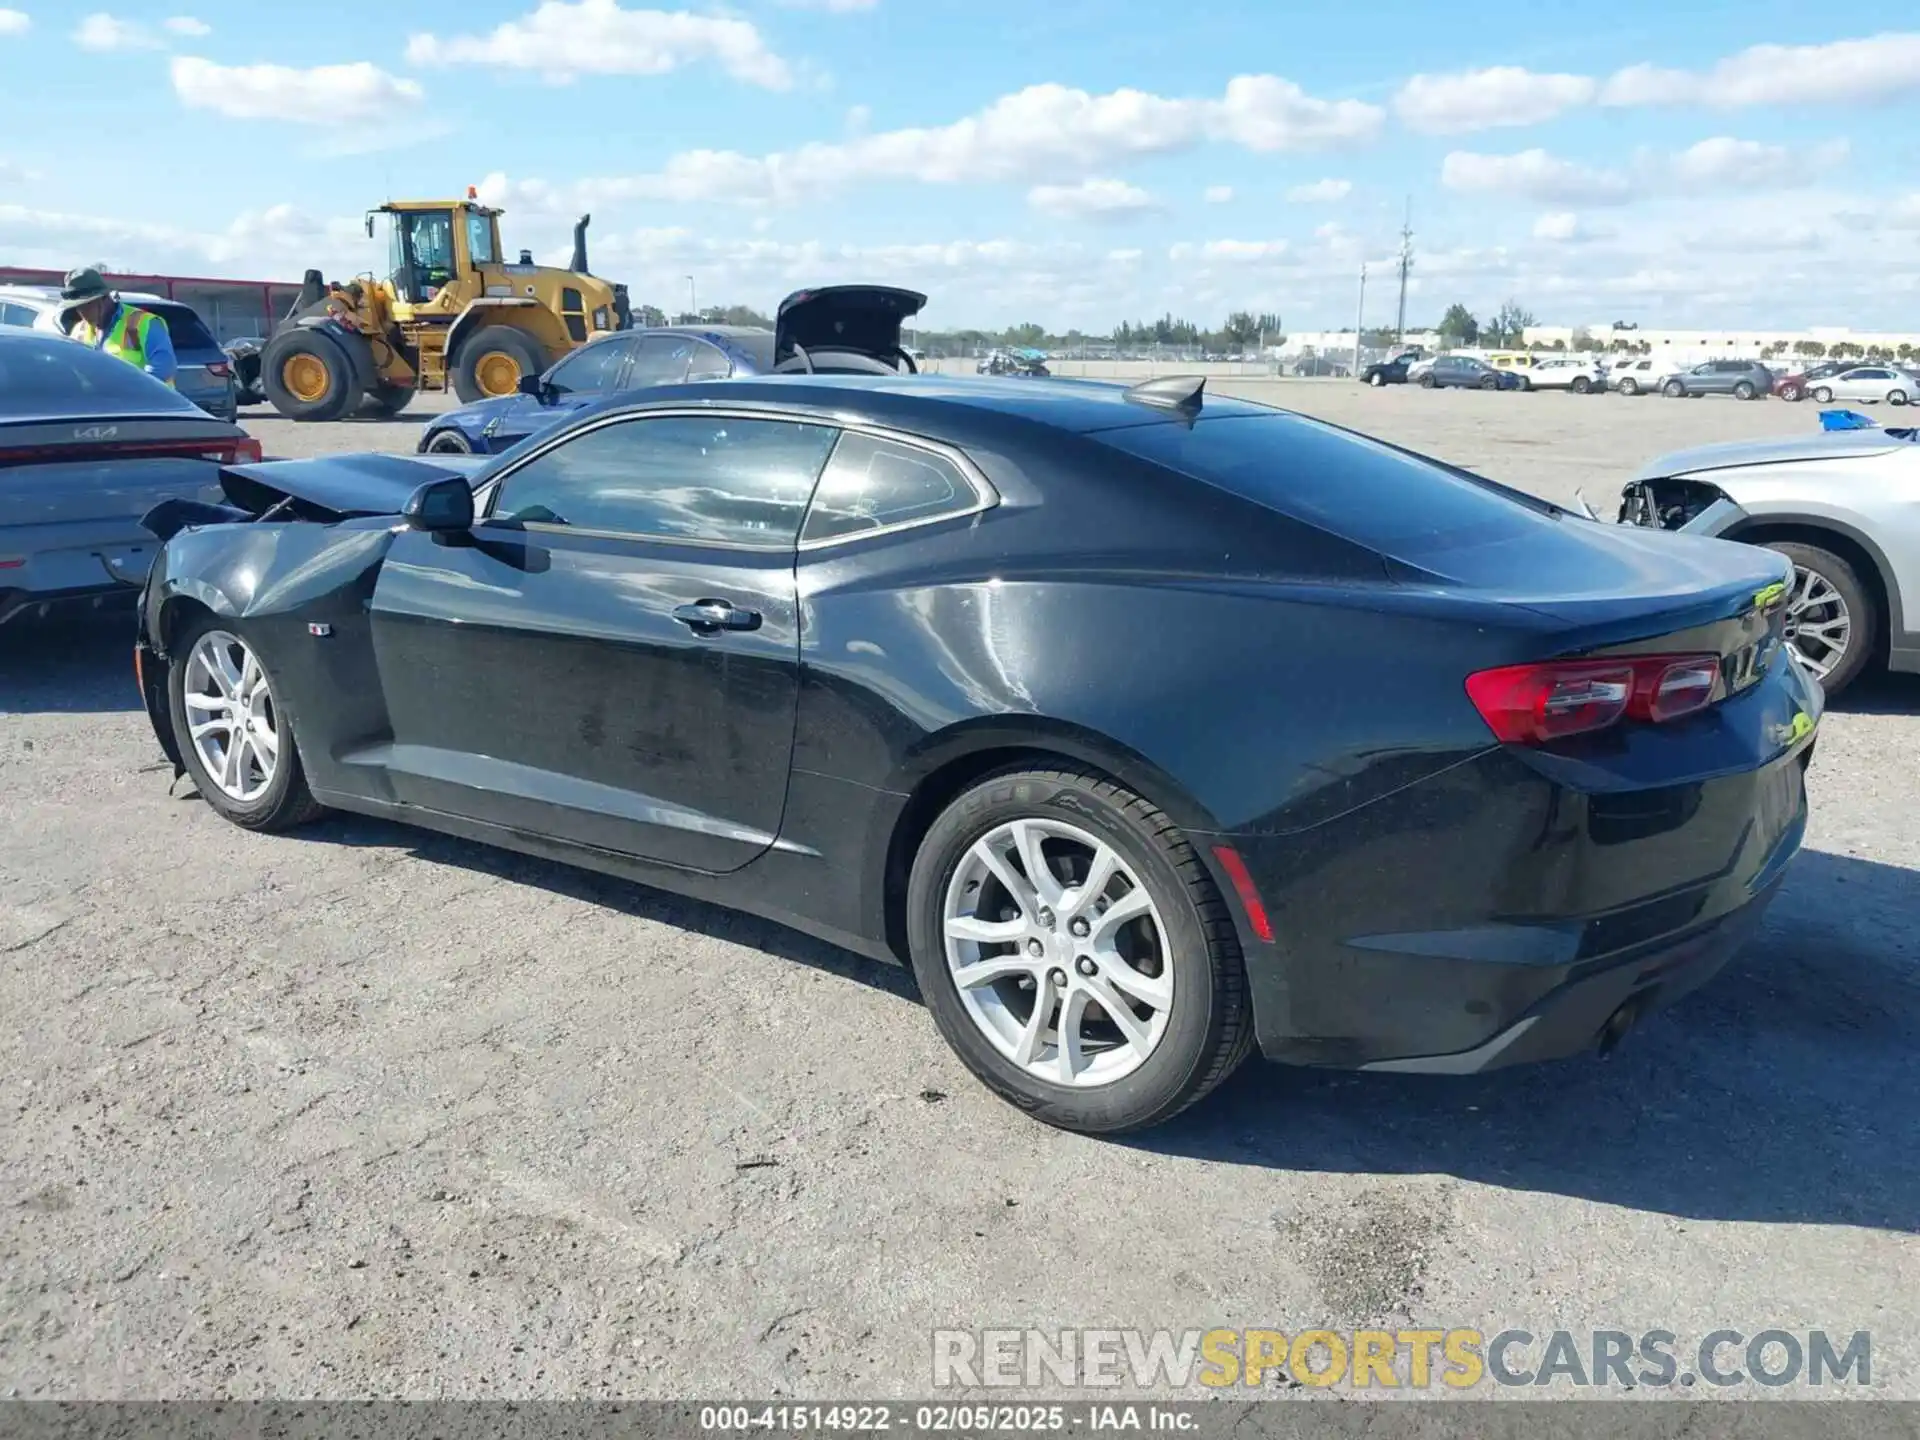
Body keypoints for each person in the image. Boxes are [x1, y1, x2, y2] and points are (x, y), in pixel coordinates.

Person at [60, 267, 176, 386]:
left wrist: (123, 393)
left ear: (104, 299)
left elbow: (162, 370)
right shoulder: (79, 332)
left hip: (149, 403)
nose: (83, 312)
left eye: (87, 305)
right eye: (78, 307)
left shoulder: (144, 324)